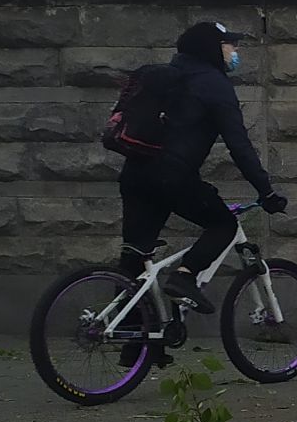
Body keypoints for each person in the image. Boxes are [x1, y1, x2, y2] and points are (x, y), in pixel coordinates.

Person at [118, 20, 286, 310]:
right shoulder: (214, 85)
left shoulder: (166, 76)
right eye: (230, 44)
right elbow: (239, 146)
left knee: (135, 262)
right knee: (224, 225)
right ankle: (185, 277)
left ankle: (137, 347)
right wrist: (266, 191)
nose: (235, 50)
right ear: (213, 48)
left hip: (134, 174)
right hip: (172, 176)